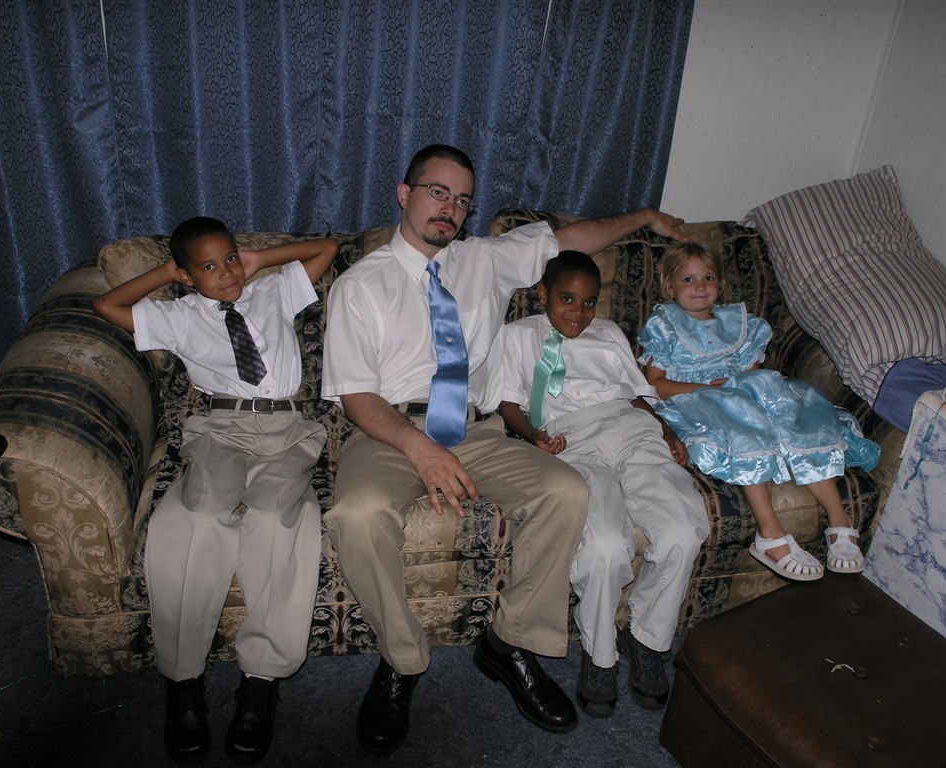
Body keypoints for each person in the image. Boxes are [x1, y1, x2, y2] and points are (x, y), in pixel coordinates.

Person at [321, 144, 690, 753]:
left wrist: (645, 216)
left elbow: (574, 238)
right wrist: (419, 448)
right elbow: (357, 396)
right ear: (404, 194)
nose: (450, 208)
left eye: (462, 199)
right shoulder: (360, 286)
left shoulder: (484, 260)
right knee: (357, 514)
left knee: (565, 490)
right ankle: (401, 660)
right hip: (390, 429)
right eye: (437, 192)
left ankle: (509, 642)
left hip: (475, 429)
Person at [94, 216, 339, 765]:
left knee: (275, 518)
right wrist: (165, 272)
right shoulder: (179, 316)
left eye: (230, 258)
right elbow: (107, 306)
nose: (227, 272)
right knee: (199, 516)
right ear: (186, 275)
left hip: (285, 427)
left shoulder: (273, 291)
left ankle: (261, 680)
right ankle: (184, 681)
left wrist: (259, 260)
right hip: (220, 428)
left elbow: (327, 247)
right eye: (208, 267)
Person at [498, 250, 709, 718]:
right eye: (567, 299)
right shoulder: (516, 336)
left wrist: (667, 432)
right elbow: (508, 402)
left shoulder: (610, 333)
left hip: (630, 429)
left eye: (590, 302)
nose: (579, 312)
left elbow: (636, 395)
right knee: (605, 545)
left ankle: (649, 637)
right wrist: (534, 435)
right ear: (543, 294)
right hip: (570, 440)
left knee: (683, 527)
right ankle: (600, 653)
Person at [638, 242, 881, 582]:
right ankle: (769, 533)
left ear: (721, 284)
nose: (700, 286)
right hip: (696, 400)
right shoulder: (665, 325)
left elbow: (751, 374)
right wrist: (708, 388)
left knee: (799, 421)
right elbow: (655, 384)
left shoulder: (740, 324)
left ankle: (840, 520)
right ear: (670, 287)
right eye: (688, 279)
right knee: (746, 431)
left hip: (742, 393)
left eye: (708, 278)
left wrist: (740, 386)